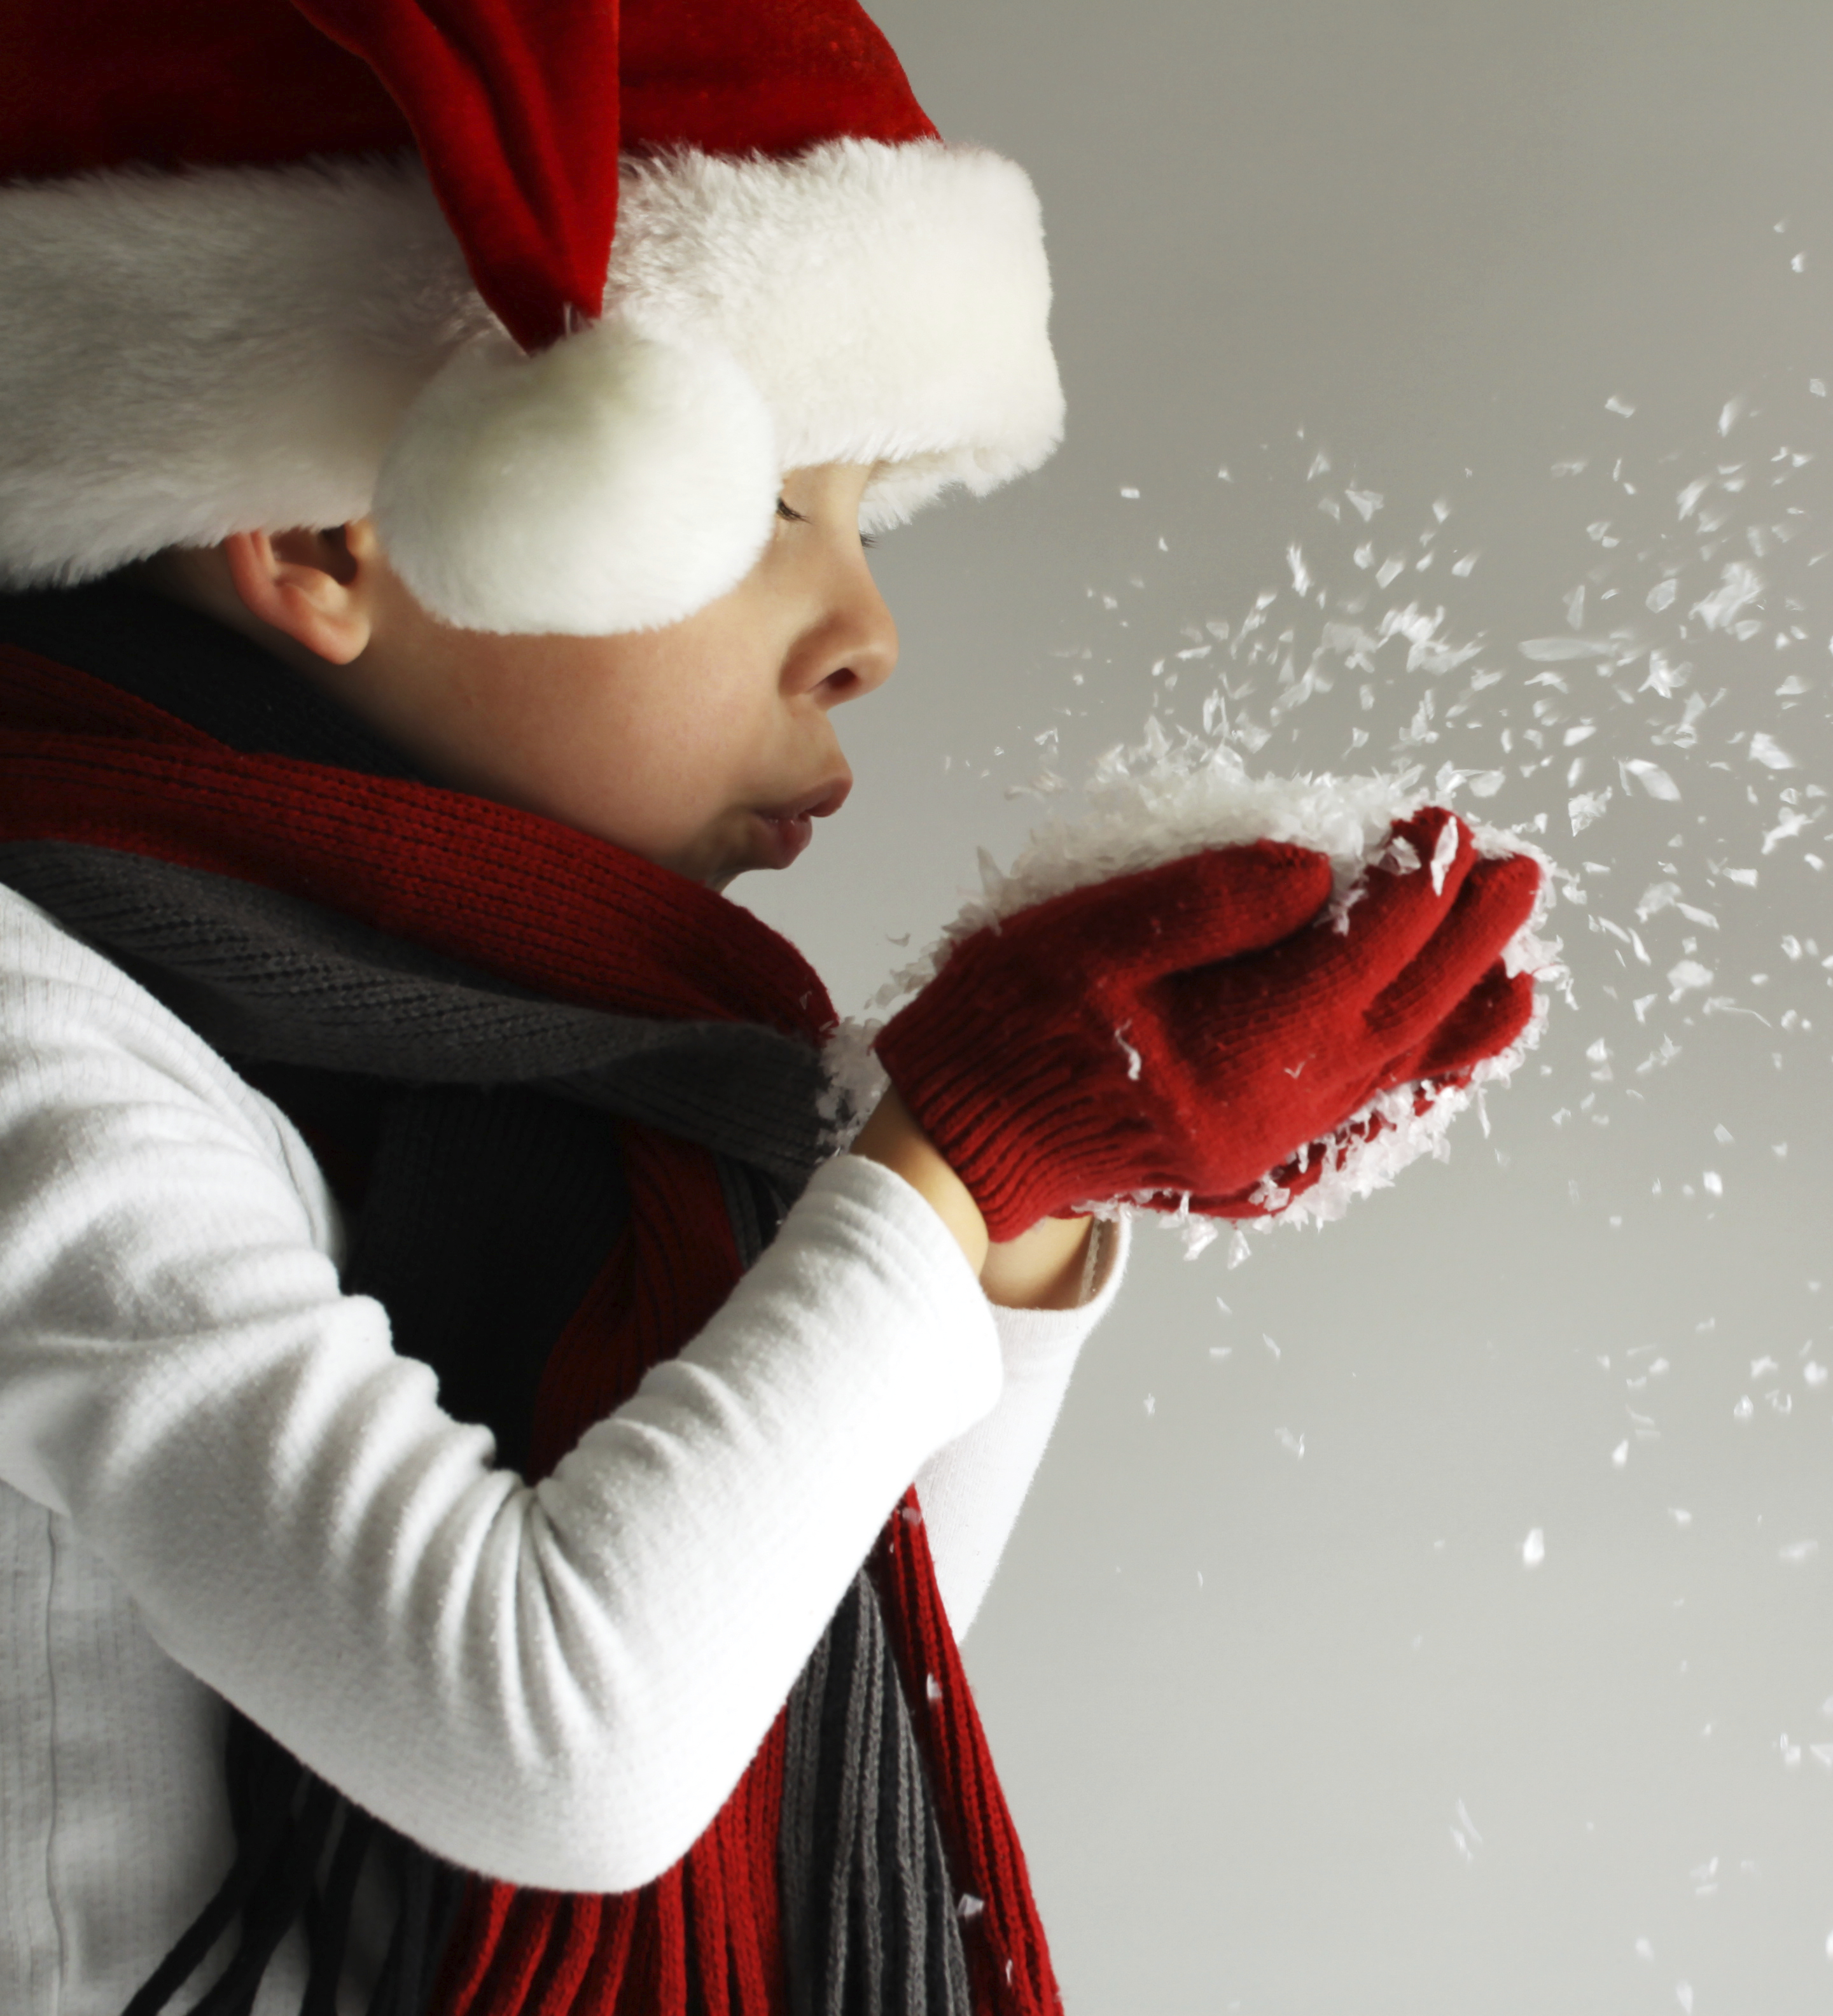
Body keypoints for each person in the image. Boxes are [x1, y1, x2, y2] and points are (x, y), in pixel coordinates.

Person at [0, 5, 1542, 2013]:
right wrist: (959, 1148)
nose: (868, 637)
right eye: (760, 511)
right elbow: (564, 1745)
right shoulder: (44, 1028)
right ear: (321, 539)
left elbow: (789, 1660)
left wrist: (1038, 1193)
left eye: (870, 519)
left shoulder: (593, 1036)